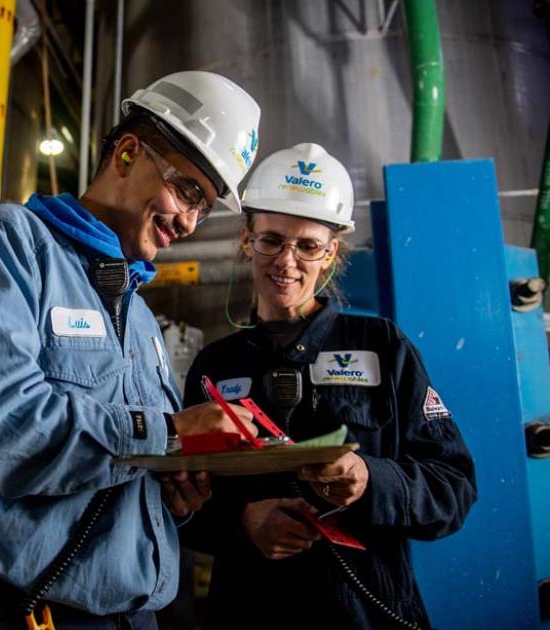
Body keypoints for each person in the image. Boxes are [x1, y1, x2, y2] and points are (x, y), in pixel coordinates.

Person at [0, 71, 261, 629]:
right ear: (126, 153)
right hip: (11, 613)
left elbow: (120, 460)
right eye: (188, 190)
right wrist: (170, 433)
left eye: (206, 207)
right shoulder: (9, 247)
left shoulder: (142, 320)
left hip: (130, 617)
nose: (190, 222)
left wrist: (172, 494)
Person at [179, 143, 477, 629]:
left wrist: (368, 479)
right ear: (246, 239)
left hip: (364, 613)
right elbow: (183, 495)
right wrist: (243, 523)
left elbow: (455, 488)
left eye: (308, 246)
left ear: (331, 254)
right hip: (248, 612)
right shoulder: (216, 365)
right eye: (271, 239)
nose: (286, 261)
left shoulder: (383, 348)